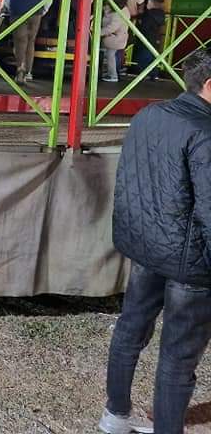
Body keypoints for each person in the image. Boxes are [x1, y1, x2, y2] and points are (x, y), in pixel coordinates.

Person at [100, 47, 211, 434]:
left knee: (131, 327)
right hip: (191, 263)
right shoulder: (205, 133)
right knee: (179, 357)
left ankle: (116, 414)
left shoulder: (149, 115)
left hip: (148, 246)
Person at [100, 0, 132, 83]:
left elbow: (112, 27)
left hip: (114, 38)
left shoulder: (118, 14)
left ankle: (113, 75)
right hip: (117, 37)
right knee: (111, 56)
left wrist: (99, 32)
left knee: (111, 57)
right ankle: (111, 73)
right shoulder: (123, 10)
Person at [137, 0, 166, 81]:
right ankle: (154, 74)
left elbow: (144, 26)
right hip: (156, 38)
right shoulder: (161, 13)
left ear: (153, 3)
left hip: (146, 38)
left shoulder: (148, 14)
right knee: (153, 57)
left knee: (144, 57)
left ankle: (144, 74)